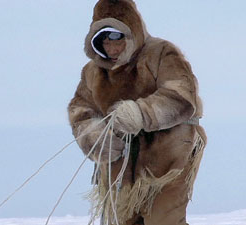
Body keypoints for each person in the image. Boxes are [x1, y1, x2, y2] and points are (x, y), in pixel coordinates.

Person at [67, 0, 207, 224]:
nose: (111, 48)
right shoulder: (92, 72)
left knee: (163, 220)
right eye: (103, 40)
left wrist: (139, 113)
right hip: (119, 171)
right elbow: (80, 110)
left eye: (117, 38)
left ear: (131, 31)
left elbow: (181, 97)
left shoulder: (161, 53)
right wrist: (94, 135)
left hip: (166, 162)